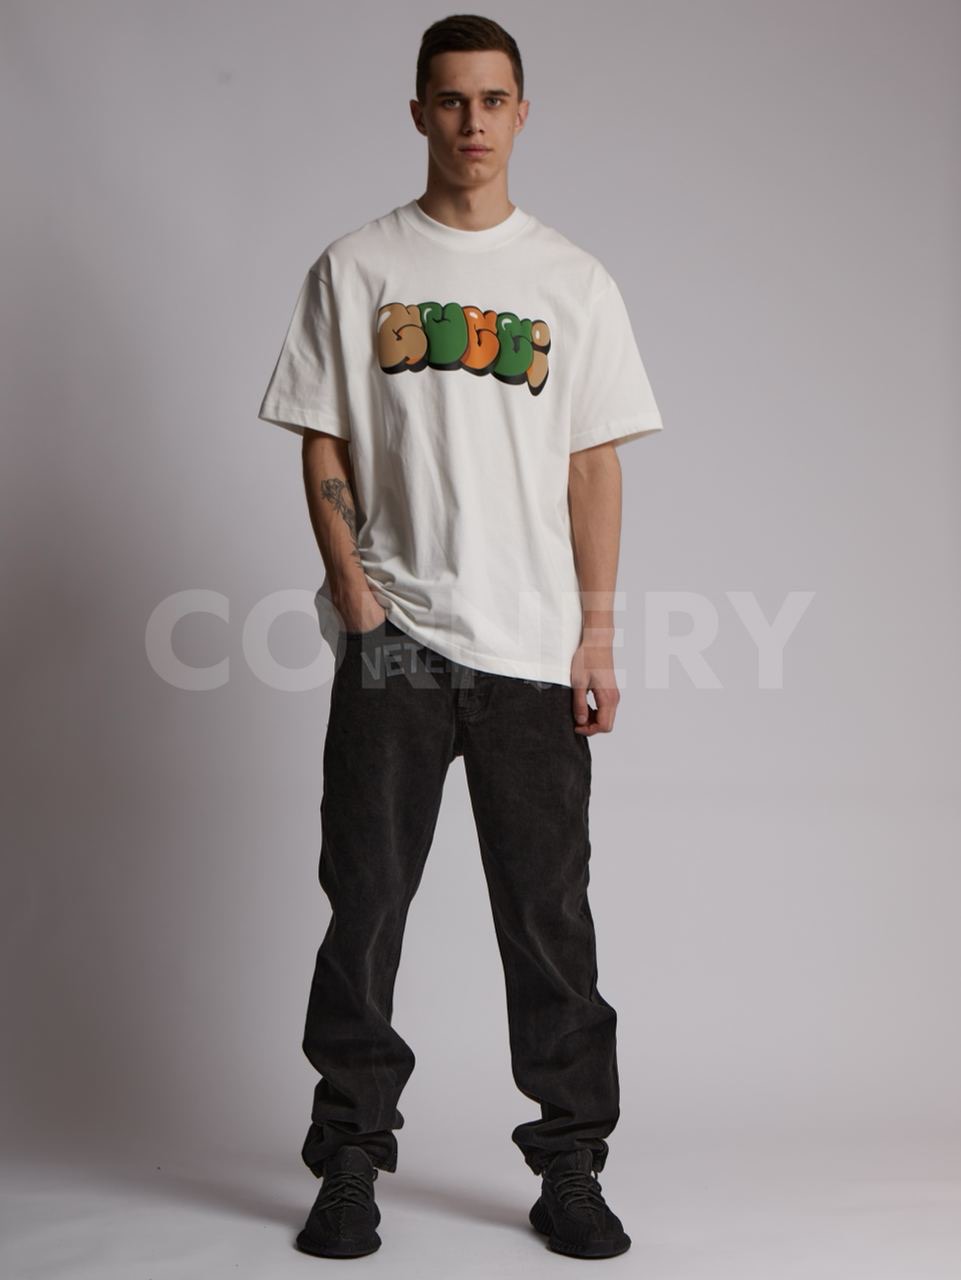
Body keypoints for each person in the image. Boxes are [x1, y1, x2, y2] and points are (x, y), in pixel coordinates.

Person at [257, 12, 663, 1261]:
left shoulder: (571, 281)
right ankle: (350, 1158)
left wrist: (596, 636)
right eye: (450, 99)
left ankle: (569, 1163)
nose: (472, 121)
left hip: (533, 648)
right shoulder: (357, 265)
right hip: (396, 642)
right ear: (419, 112)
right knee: (366, 905)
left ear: (521, 114)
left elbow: (593, 467)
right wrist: (356, 594)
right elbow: (323, 434)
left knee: (548, 916)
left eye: (493, 100)